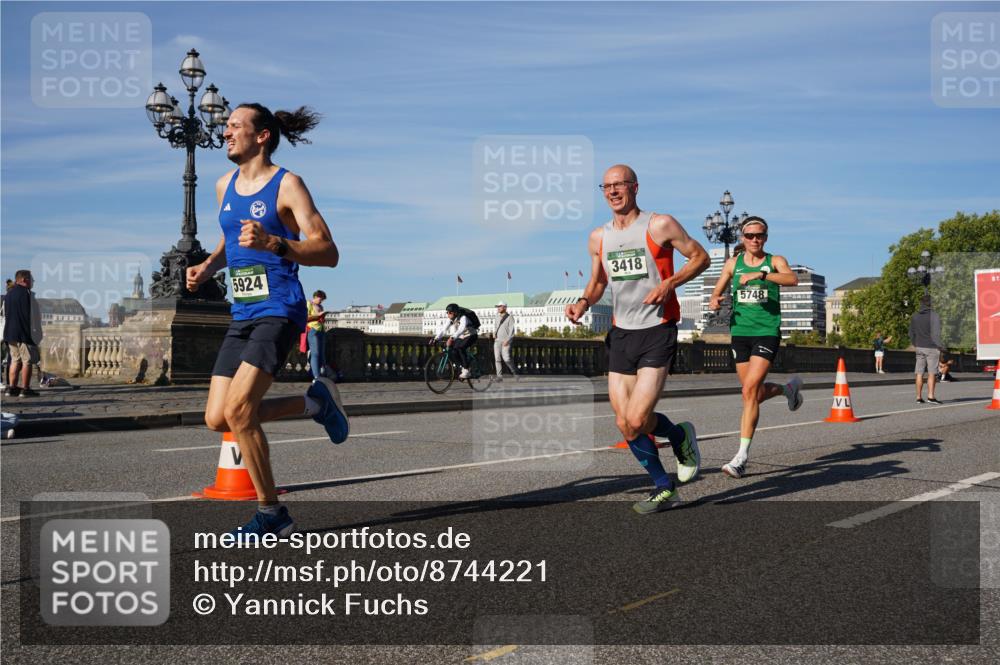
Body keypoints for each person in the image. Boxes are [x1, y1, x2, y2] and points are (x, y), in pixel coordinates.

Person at [185, 102, 348, 539]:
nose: (225, 132)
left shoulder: (287, 184)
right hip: (243, 312)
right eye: (226, 126)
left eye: (235, 126)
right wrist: (208, 266)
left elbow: (328, 252)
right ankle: (315, 403)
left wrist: (276, 243)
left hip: (279, 309)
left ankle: (272, 513)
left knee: (241, 411)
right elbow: (229, 236)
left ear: (262, 136)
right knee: (219, 419)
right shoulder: (224, 185)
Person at [565, 164, 709, 514]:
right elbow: (599, 282)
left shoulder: (660, 224)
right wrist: (583, 302)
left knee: (637, 416)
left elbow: (700, 257)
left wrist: (669, 284)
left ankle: (677, 445)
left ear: (635, 187)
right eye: (607, 186)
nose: (613, 191)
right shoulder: (598, 237)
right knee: (626, 422)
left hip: (658, 330)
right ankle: (666, 480)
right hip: (621, 333)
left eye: (621, 185)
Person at [708, 217, 804, 479]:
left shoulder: (774, 261)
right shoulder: (732, 264)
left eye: (759, 235)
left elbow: (791, 279)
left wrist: (761, 274)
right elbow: (716, 293)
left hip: (766, 333)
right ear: (742, 237)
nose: (754, 240)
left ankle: (741, 458)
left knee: (749, 391)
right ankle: (788, 389)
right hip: (740, 333)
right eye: (749, 235)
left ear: (766, 237)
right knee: (753, 393)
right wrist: (715, 300)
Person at [2, 270, 43, 398]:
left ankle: (12, 388)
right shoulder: (27, 294)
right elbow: (31, 317)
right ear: (24, 280)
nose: (33, 282)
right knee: (27, 361)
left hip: (10, 333)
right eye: (31, 280)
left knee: (15, 360)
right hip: (24, 333)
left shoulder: (8, 295)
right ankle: (25, 389)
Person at [909, 294, 944, 404]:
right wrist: (940, 347)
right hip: (931, 347)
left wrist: (915, 343)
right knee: (932, 373)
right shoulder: (934, 316)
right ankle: (930, 396)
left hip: (919, 346)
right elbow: (937, 333)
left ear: (921, 303)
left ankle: (918, 397)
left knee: (919, 373)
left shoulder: (914, 316)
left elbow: (911, 333)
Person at [430, 303, 479, 379]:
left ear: (455, 312)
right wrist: (435, 339)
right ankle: (463, 366)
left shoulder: (463, 317)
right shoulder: (451, 320)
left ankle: (466, 370)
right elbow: (443, 330)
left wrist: (452, 338)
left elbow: (461, 329)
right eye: (447, 312)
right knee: (452, 350)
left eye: (450, 312)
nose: (448, 314)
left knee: (460, 348)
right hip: (462, 336)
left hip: (471, 335)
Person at [493, 300, 517, 381]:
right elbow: (496, 326)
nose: (498, 308)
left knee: (506, 359)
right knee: (497, 359)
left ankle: (514, 372)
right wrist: (494, 333)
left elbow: (512, 331)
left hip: (506, 341)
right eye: (498, 307)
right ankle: (499, 376)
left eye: (499, 306)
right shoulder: (496, 316)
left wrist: (508, 340)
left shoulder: (510, 317)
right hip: (497, 341)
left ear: (504, 307)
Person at [306, 290, 328, 379]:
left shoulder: (321, 306)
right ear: (315, 297)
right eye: (320, 299)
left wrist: (322, 317)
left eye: (322, 300)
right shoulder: (309, 303)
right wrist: (318, 315)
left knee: (321, 354)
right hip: (313, 329)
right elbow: (306, 317)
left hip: (321, 330)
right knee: (315, 353)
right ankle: (316, 377)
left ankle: (316, 372)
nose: (321, 301)